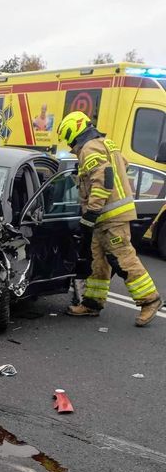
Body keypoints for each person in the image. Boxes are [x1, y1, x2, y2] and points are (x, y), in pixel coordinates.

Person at [59, 111, 161, 326]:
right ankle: (92, 303)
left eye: (68, 139)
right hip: (108, 216)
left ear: (73, 132)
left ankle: (149, 300)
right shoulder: (107, 144)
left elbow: (103, 180)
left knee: (122, 258)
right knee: (99, 261)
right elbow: (124, 166)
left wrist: (91, 212)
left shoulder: (89, 148)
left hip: (110, 216)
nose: (70, 145)